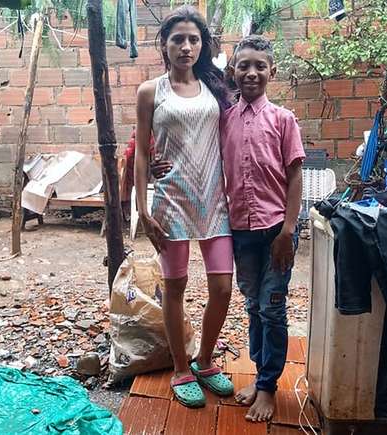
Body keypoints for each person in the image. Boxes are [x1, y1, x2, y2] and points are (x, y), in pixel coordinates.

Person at [153, 35, 306, 421]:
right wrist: (158, 163)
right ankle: (259, 376)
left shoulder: (283, 120)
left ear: (272, 71)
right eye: (244, 66)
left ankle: (269, 386)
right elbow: (191, 144)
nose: (251, 72)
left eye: (259, 66)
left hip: (276, 232)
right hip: (239, 229)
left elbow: (295, 176)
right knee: (254, 307)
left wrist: (288, 230)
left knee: (273, 309)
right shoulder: (225, 118)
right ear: (233, 72)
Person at [133, 5, 235, 408]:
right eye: (178, 39)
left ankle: (205, 360)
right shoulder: (150, 91)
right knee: (174, 286)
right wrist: (142, 207)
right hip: (171, 201)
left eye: (194, 39)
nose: (187, 46)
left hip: (215, 200)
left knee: (223, 288)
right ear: (164, 44)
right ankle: (180, 367)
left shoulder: (216, 86)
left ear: (203, 45)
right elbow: (143, 152)